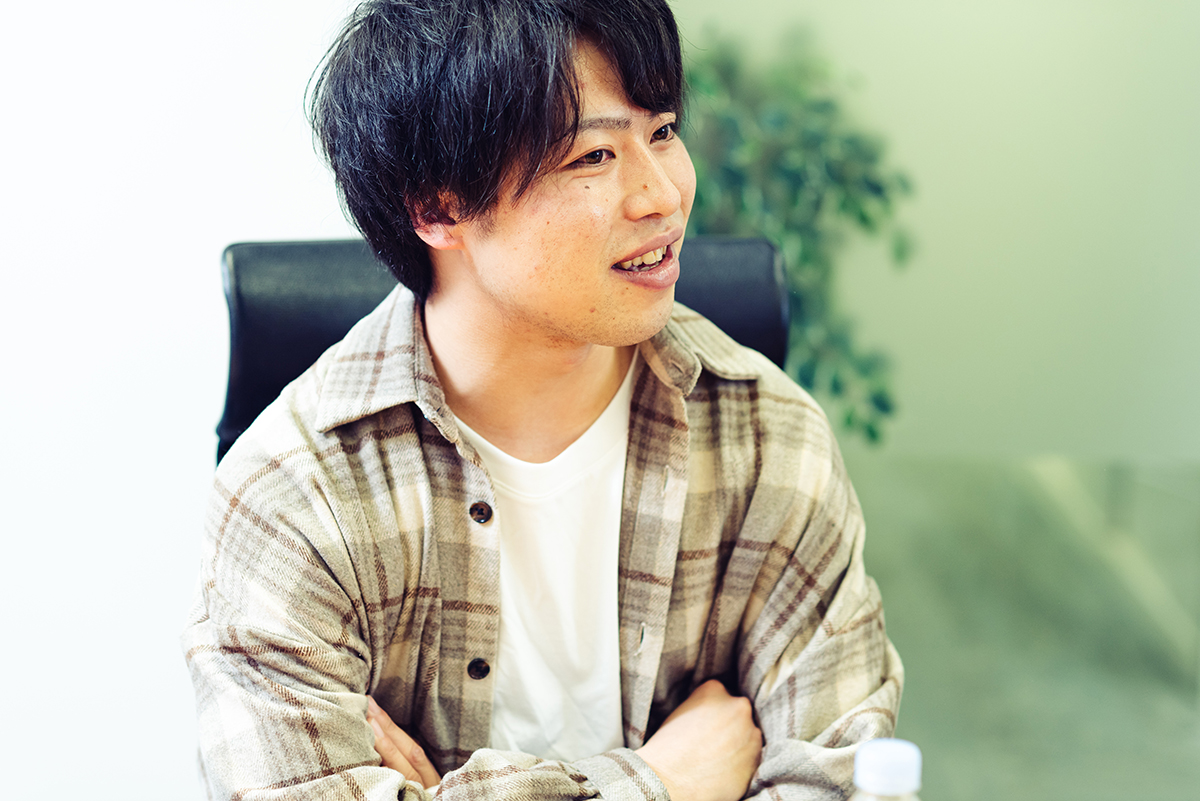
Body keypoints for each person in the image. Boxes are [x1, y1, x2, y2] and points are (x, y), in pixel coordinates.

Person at [182, 1, 903, 799]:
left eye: (663, 131)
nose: (663, 194)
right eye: (594, 154)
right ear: (438, 207)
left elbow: (843, 782)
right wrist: (661, 782)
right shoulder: (294, 497)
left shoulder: (768, 439)